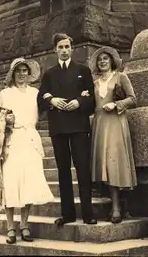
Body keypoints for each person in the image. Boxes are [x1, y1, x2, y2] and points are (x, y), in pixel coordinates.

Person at [0, 58, 54, 245]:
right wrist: (5, 121)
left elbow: (45, 109)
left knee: (28, 184)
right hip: (11, 141)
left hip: (30, 140)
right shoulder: (5, 93)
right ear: (13, 73)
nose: (21, 74)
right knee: (10, 184)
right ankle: (10, 227)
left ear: (29, 73)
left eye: (25, 71)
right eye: (18, 71)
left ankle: (24, 225)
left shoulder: (35, 93)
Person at [38, 33, 97, 226]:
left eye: (67, 47)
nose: (64, 50)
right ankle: (68, 214)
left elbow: (92, 99)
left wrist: (79, 102)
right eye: (60, 47)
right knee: (63, 171)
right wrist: (51, 100)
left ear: (72, 49)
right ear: (55, 49)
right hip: (59, 128)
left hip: (79, 126)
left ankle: (88, 213)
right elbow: (40, 99)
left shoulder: (83, 70)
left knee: (82, 169)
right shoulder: (49, 74)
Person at [88, 47, 137, 223]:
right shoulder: (94, 83)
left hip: (115, 122)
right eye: (99, 59)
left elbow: (133, 99)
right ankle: (110, 203)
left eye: (105, 59)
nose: (102, 62)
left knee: (113, 162)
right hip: (100, 124)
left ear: (111, 61)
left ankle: (117, 208)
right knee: (103, 164)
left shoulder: (120, 77)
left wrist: (116, 105)